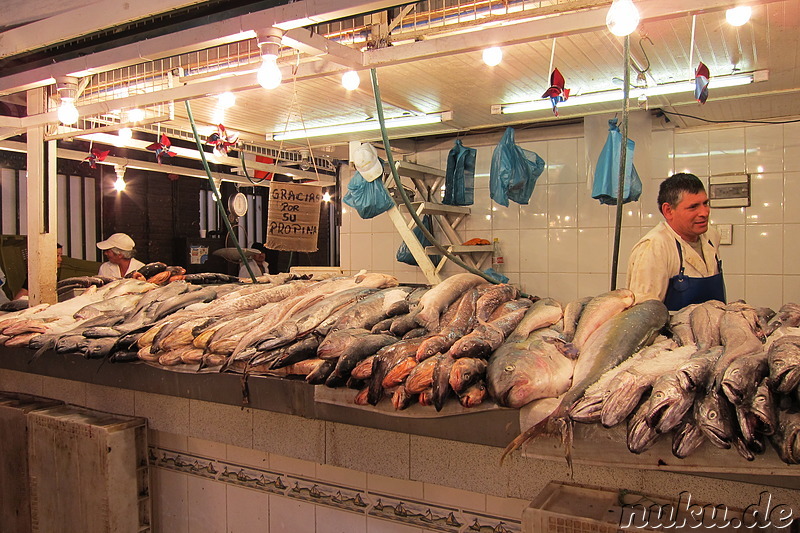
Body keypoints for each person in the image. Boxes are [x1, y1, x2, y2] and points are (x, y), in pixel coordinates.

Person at [627, 172, 725, 311]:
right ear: (668, 211)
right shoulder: (654, 247)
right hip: (673, 332)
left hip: (712, 329)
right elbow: (643, 314)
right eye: (693, 207)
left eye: (705, 203)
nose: (704, 212)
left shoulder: (711, 236)